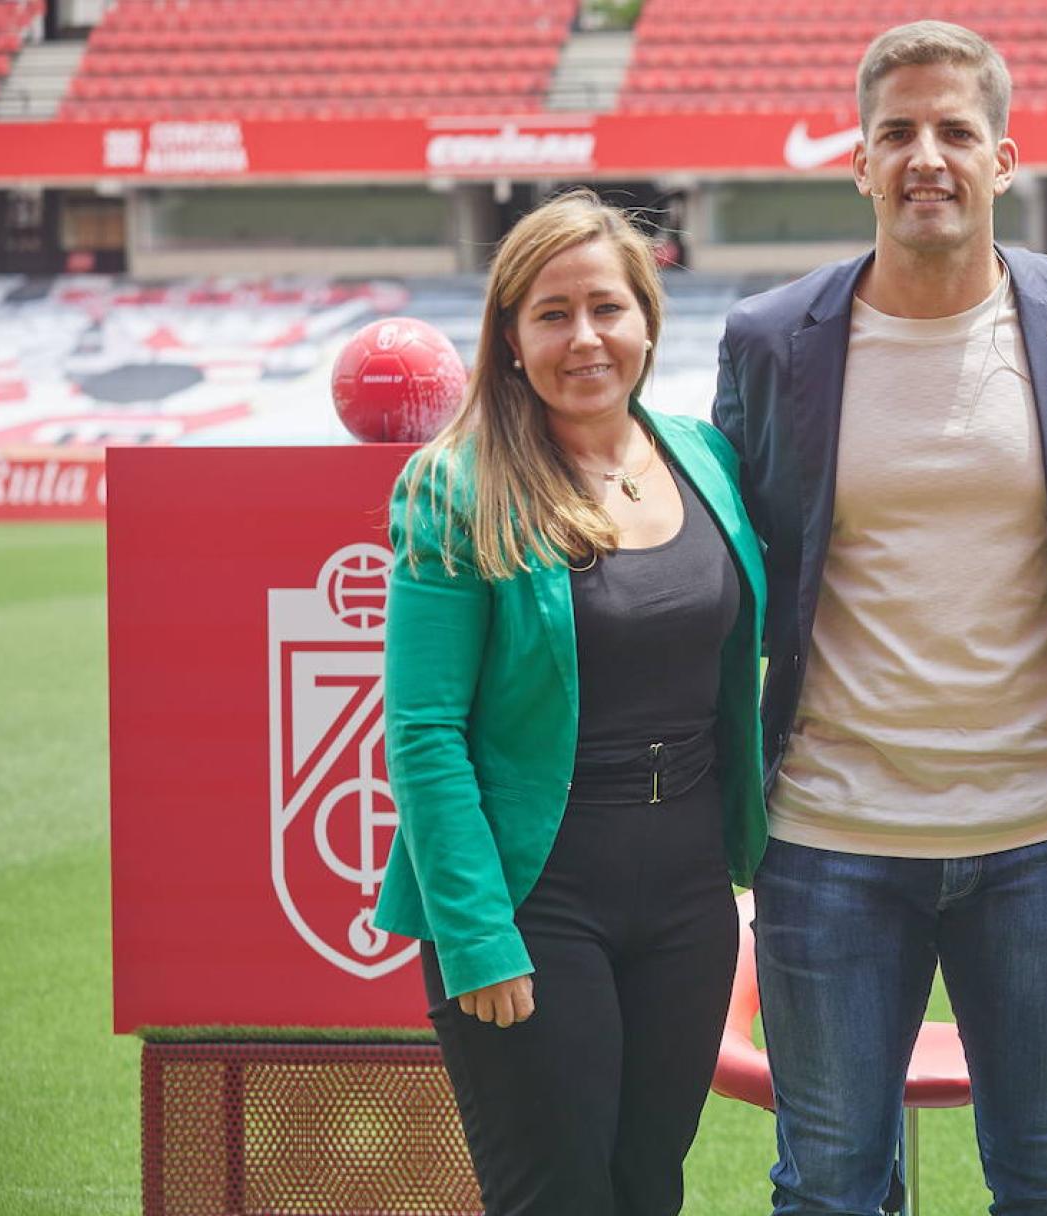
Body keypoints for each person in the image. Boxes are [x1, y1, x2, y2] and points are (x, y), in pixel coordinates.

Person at [711, 21, 1047, 1216]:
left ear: (1002, 158)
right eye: (896, 132)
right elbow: (744, 557)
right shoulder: (771, 338)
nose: (927, 156)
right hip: (830, 838)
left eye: (955, 131)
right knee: (828, 1185)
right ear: (857, 162)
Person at [372, 188, 767, 1216]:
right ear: (508, 338)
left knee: (647, 1187)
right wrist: (477, 937)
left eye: (606, 307)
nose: (584, 337)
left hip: (687, 893)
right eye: (551, 314)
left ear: (647, 318)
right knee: (556, 1196)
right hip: (534, 894)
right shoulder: (455, 485)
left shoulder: (707, 458)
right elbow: (421, 732)